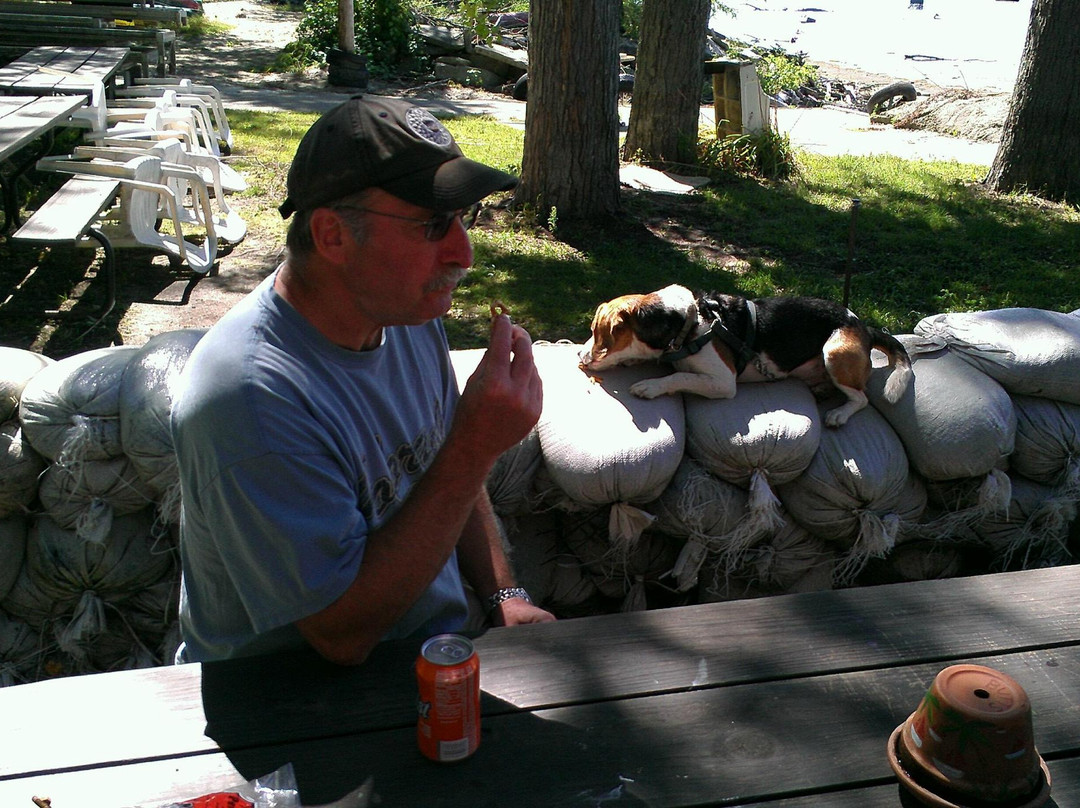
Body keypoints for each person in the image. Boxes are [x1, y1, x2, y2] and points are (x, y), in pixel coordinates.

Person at [170, 95, 556, 665]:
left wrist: (505, 594)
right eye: (432, 225)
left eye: (460, 219)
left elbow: (438, 466)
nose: (464, 252)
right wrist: (476, 444)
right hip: (288, 705)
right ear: (331, 236)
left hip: (426, 658)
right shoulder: (249, 397)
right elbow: (341, 635)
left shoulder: (402, 316)